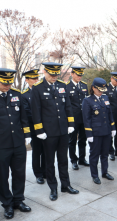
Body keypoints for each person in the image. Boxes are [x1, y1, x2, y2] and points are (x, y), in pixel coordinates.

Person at [31, 62, 79, 201]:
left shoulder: (62, 85)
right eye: (51, 74)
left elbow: (67, 106)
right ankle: (53, 187)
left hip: (63, 130)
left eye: (56, 74)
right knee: (49, 162)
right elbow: (36, 112)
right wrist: (39, 130)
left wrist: (70, 124)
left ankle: (66, 185)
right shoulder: (38, 88)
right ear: (45, 72)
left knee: (63, 160)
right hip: (48, 132)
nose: (54, 76)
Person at [0, 68, 32, 219]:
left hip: (18, 142)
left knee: (19, 173)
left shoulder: (16, 94)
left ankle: (18, 200)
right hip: (2, 144)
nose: (7, 86)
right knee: (2, 176)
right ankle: (7, 203)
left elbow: (23, 117)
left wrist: (27, 135)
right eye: (3, 83)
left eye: (9, 83)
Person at [82, 78, 116, 184]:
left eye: (103, 89)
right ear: (93, 88)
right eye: (99, 89)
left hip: (106, 131)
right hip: (95, 133)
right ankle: (95, 175)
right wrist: (89, 134)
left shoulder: (105, 97)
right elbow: (86, 119)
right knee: (94, 155)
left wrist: (113, 127)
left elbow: (109, 114)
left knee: (105, 153)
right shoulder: (87, 100)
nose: (101, 92)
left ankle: (105, 172)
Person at [21, 69, 46, 184]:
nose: (36, 80)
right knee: (37, 151)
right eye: (33, 79)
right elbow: (27, 113)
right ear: (27, 80)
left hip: (46, 127)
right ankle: (38, 174)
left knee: (46, 150)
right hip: (34, 128)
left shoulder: (42, 90)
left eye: (37, 78)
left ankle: (45, 171)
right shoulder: (24, 95)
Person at [66, 66, 89, 170]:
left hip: (83, 118)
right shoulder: (66, 87)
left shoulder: (84, 85)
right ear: (72, 74)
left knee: (83, 139)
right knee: (72, 141)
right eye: (77, 75)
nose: (79, 77)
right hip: (73, 119)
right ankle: (73, 160)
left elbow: (87, 102)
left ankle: (82, 158)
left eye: (81, 75)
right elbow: (66, 105)